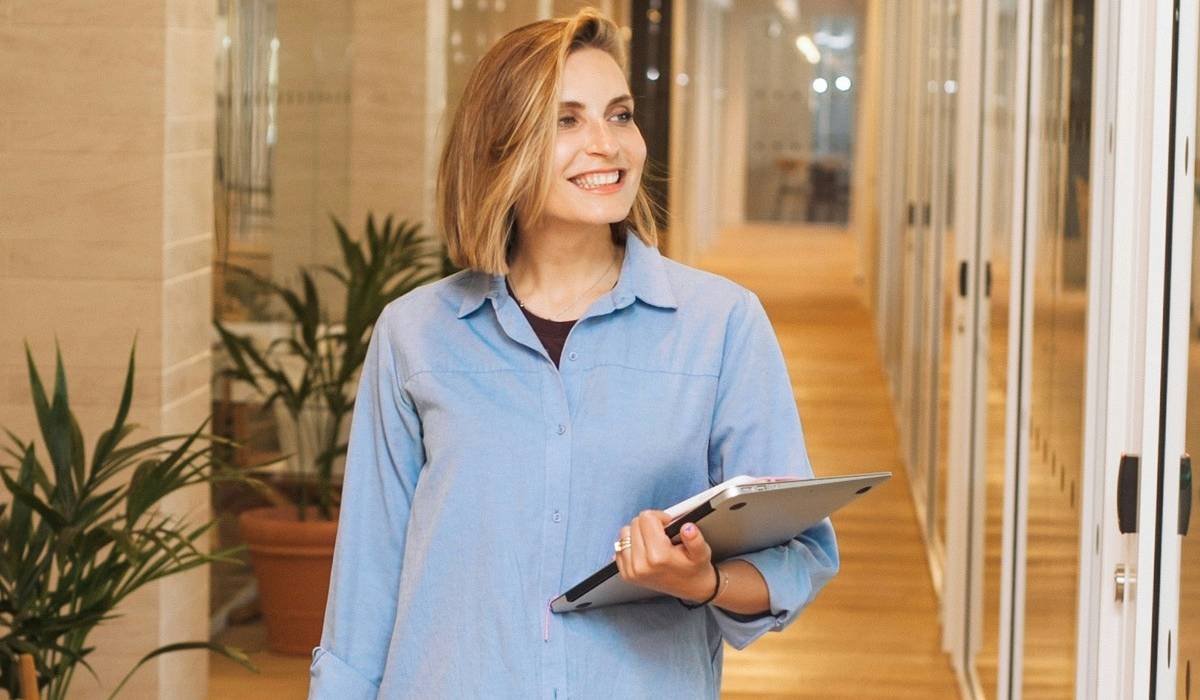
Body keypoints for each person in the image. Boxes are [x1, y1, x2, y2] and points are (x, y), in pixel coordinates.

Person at [308, 8, 838, 698]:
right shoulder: (415, 335)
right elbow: (364, 592)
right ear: (501, 146)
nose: (607, 144)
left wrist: (699, 579)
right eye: (567, 121)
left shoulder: (721, 325)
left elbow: (799, 557)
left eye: (619, 116)